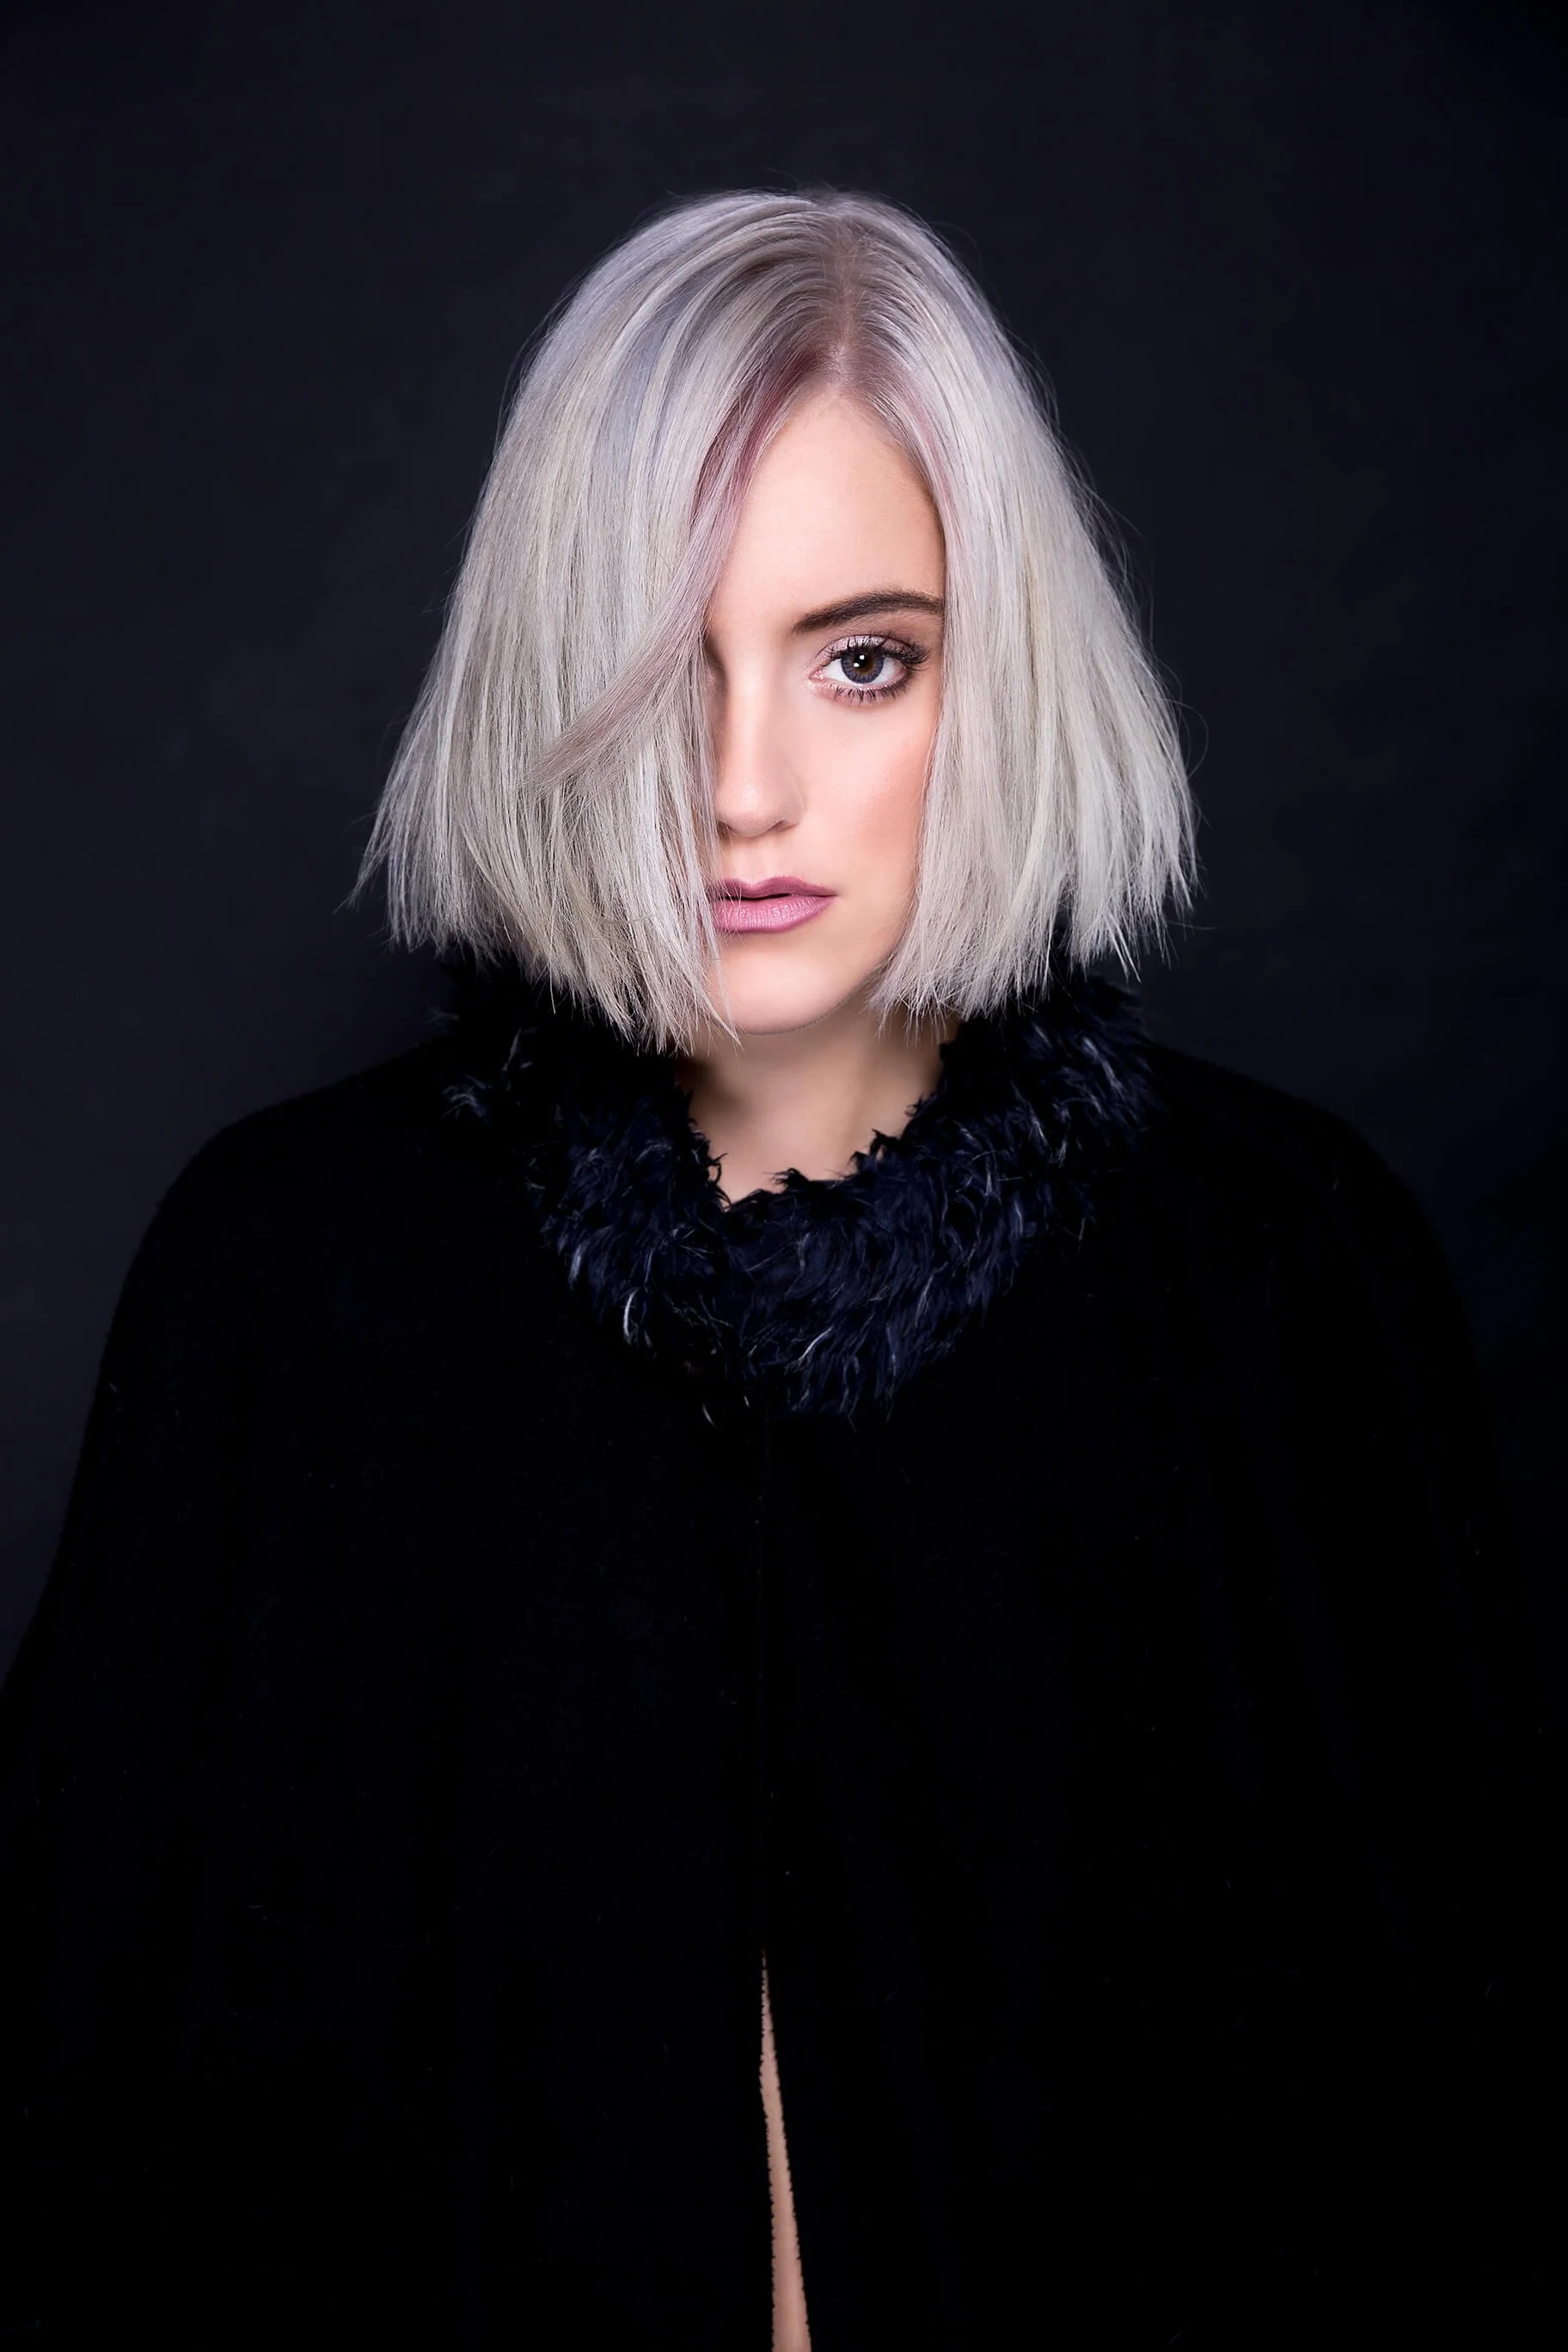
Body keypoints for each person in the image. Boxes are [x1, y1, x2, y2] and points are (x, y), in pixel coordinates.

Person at [0, 189, 1552, 2350]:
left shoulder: (1274, 1286)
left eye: (861, 659)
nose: (743, 790)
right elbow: (89, 2149)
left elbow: (1454, 2125)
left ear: (998, 677)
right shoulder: (294, 1291)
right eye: (668, 666)